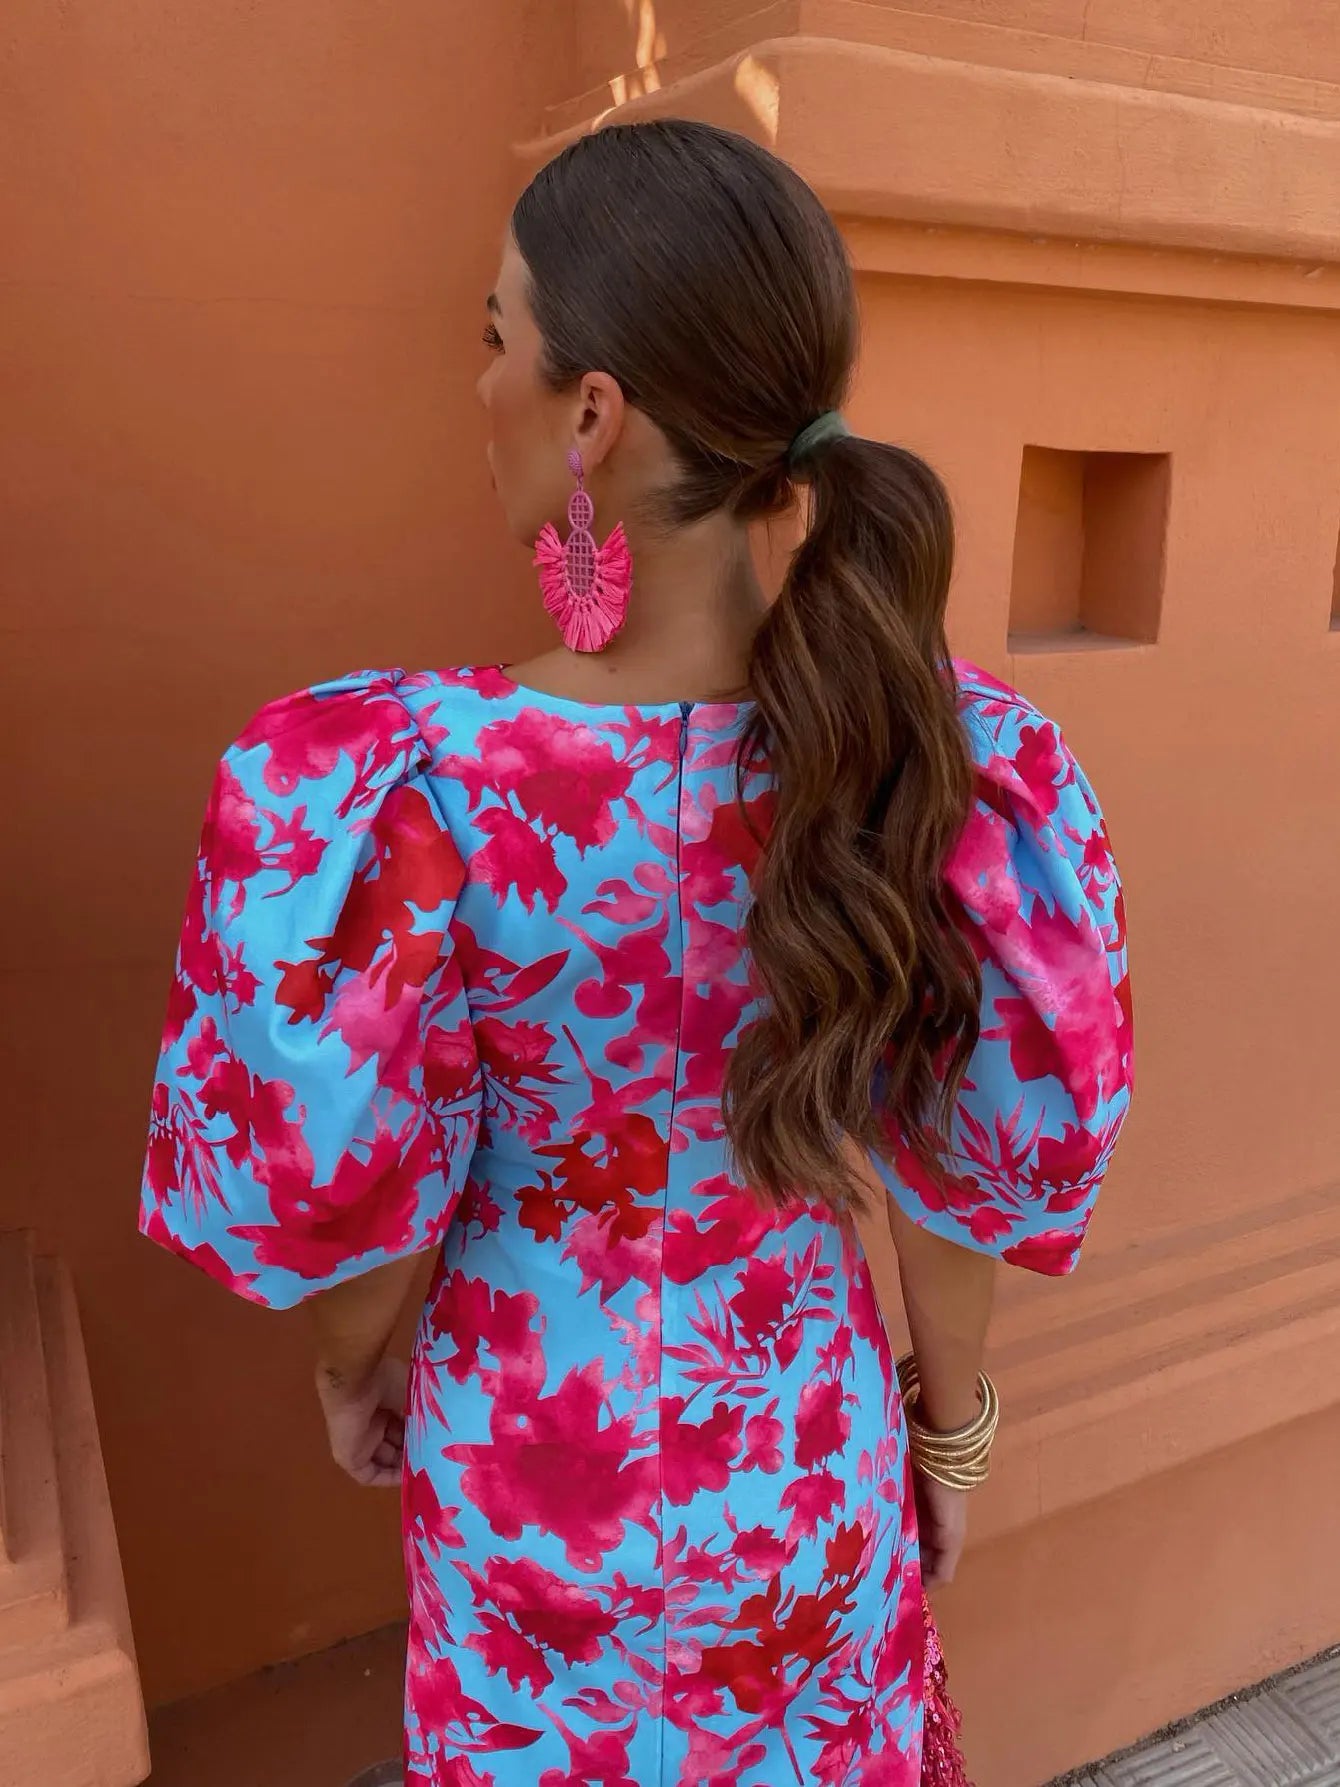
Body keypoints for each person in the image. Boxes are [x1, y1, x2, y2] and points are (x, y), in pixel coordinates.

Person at [139, 119, 1133, 1787]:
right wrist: (950, 1438)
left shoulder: (416, 792)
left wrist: (351, 1374)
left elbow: (352, 1194)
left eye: (496, 337)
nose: (481, 388)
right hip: (802, 1478)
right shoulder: (922, 762)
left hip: (531, 1492)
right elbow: (965, 1165)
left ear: (592, 412)